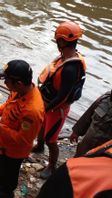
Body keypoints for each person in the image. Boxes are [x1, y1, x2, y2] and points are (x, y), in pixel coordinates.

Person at [0, 60, 45, 198]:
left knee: (11, 170)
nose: (5, 83)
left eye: (6, 80)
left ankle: (6, 191)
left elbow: (23, 140)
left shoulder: (32, 110)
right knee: (2, 163)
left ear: (19, 83)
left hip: (15, 151)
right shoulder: (20, 91)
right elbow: (10, 103)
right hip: (5, 143)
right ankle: (0, 179)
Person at [32, 21, 87, 179]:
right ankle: (39, 146)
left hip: (57, 108)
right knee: (42, 127)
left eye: (58, 40)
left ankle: (51, 167)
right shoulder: (65, 57)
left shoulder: (71, 68)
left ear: (62, 41)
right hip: (49, 101)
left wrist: (48, 108)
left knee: (51, 139)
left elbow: (63, 95)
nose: (57, 43)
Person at [37, 139, 112, 198]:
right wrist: (78, 130)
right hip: (89, 160)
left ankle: (51, 165)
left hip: (79, 174)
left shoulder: (74, 171)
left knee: (50, 139)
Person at [69, 90, 112, 157]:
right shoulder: (105, 98)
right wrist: (76, 132)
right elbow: (88, 115)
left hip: (103, 153)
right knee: (76, 161)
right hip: (86, 144)